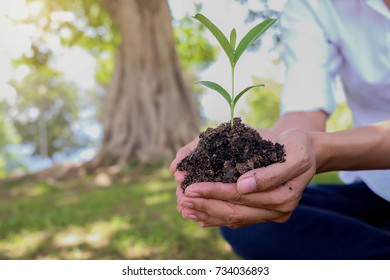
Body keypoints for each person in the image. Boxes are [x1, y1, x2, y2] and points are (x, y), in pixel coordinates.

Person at [170, 0, 390, 259]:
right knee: (253, 221)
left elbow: (315, 144)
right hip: (378, 191)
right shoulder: (315, 5)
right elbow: (304, 112)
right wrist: (276, 148)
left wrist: (319, 149)